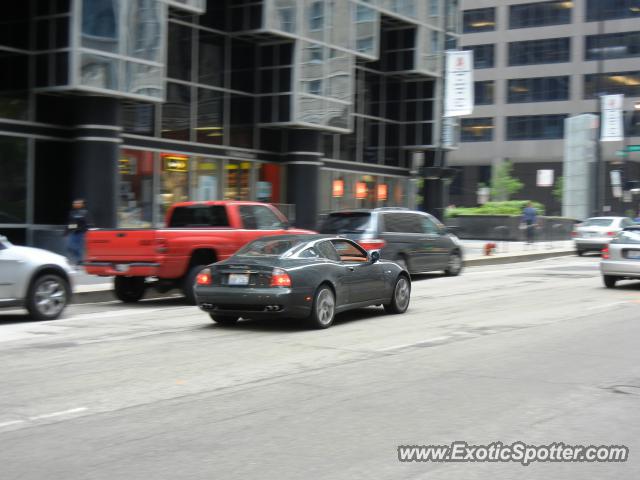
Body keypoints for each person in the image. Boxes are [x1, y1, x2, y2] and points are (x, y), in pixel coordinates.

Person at [65, 199, 92, 265]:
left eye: (78, 203)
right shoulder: (72, 213)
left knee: (79, 247)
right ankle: (79, 259)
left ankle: (79, 260)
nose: (76, 204)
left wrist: (86, 230)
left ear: (82, 204)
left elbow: (87, 223)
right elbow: (70, 223)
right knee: (70, 246)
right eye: (74, 203)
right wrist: (66, 232)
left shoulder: (85, 212)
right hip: (73, 232)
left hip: (81, 233)